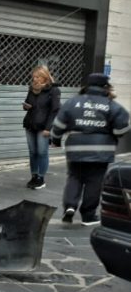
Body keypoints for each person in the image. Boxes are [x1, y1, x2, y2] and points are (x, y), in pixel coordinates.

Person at [51, 73, 129, 226]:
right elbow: (122, 129)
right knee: (94, 182)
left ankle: (70, 206)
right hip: (101, 151)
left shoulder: (73, 102)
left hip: (76, 149)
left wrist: (55, 139)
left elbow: (58, 125)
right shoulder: (112, 105)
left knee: (74, 177)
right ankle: (88, 215)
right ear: (106, 87)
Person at [22, 65, 61, 189]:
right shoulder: (32, 89)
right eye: (33, 77)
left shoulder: (54, 90)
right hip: (30, 124)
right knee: (32, 152)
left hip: (43, 127)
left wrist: (48, 128)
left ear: (45, 77)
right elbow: (27, 103)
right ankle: (34, 176)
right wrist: (26, 106)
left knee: (42, 152)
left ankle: (41, 178)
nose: (35, 79)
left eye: (38, 77)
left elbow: (55, 110)